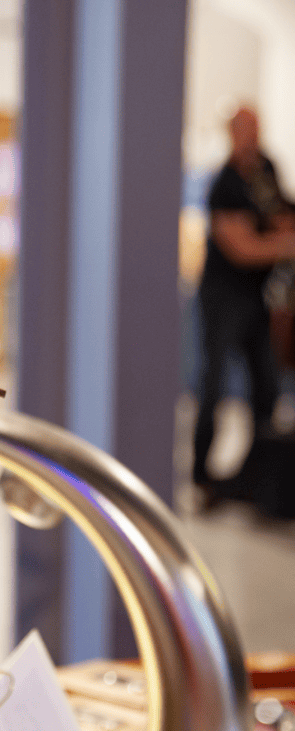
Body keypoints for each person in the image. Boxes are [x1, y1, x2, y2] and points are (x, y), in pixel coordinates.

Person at [192, 105, 295, 504]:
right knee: (213, 386)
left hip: (257, 298)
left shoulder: (265, 170)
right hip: (222, 298)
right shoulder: (225, 183)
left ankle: (259, 476)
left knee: (266, 387)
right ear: (232, 134)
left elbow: (279, 215)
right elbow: (240, 248)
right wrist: (284, 245)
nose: (251, 136)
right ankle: (202, 476)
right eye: (243, 129)